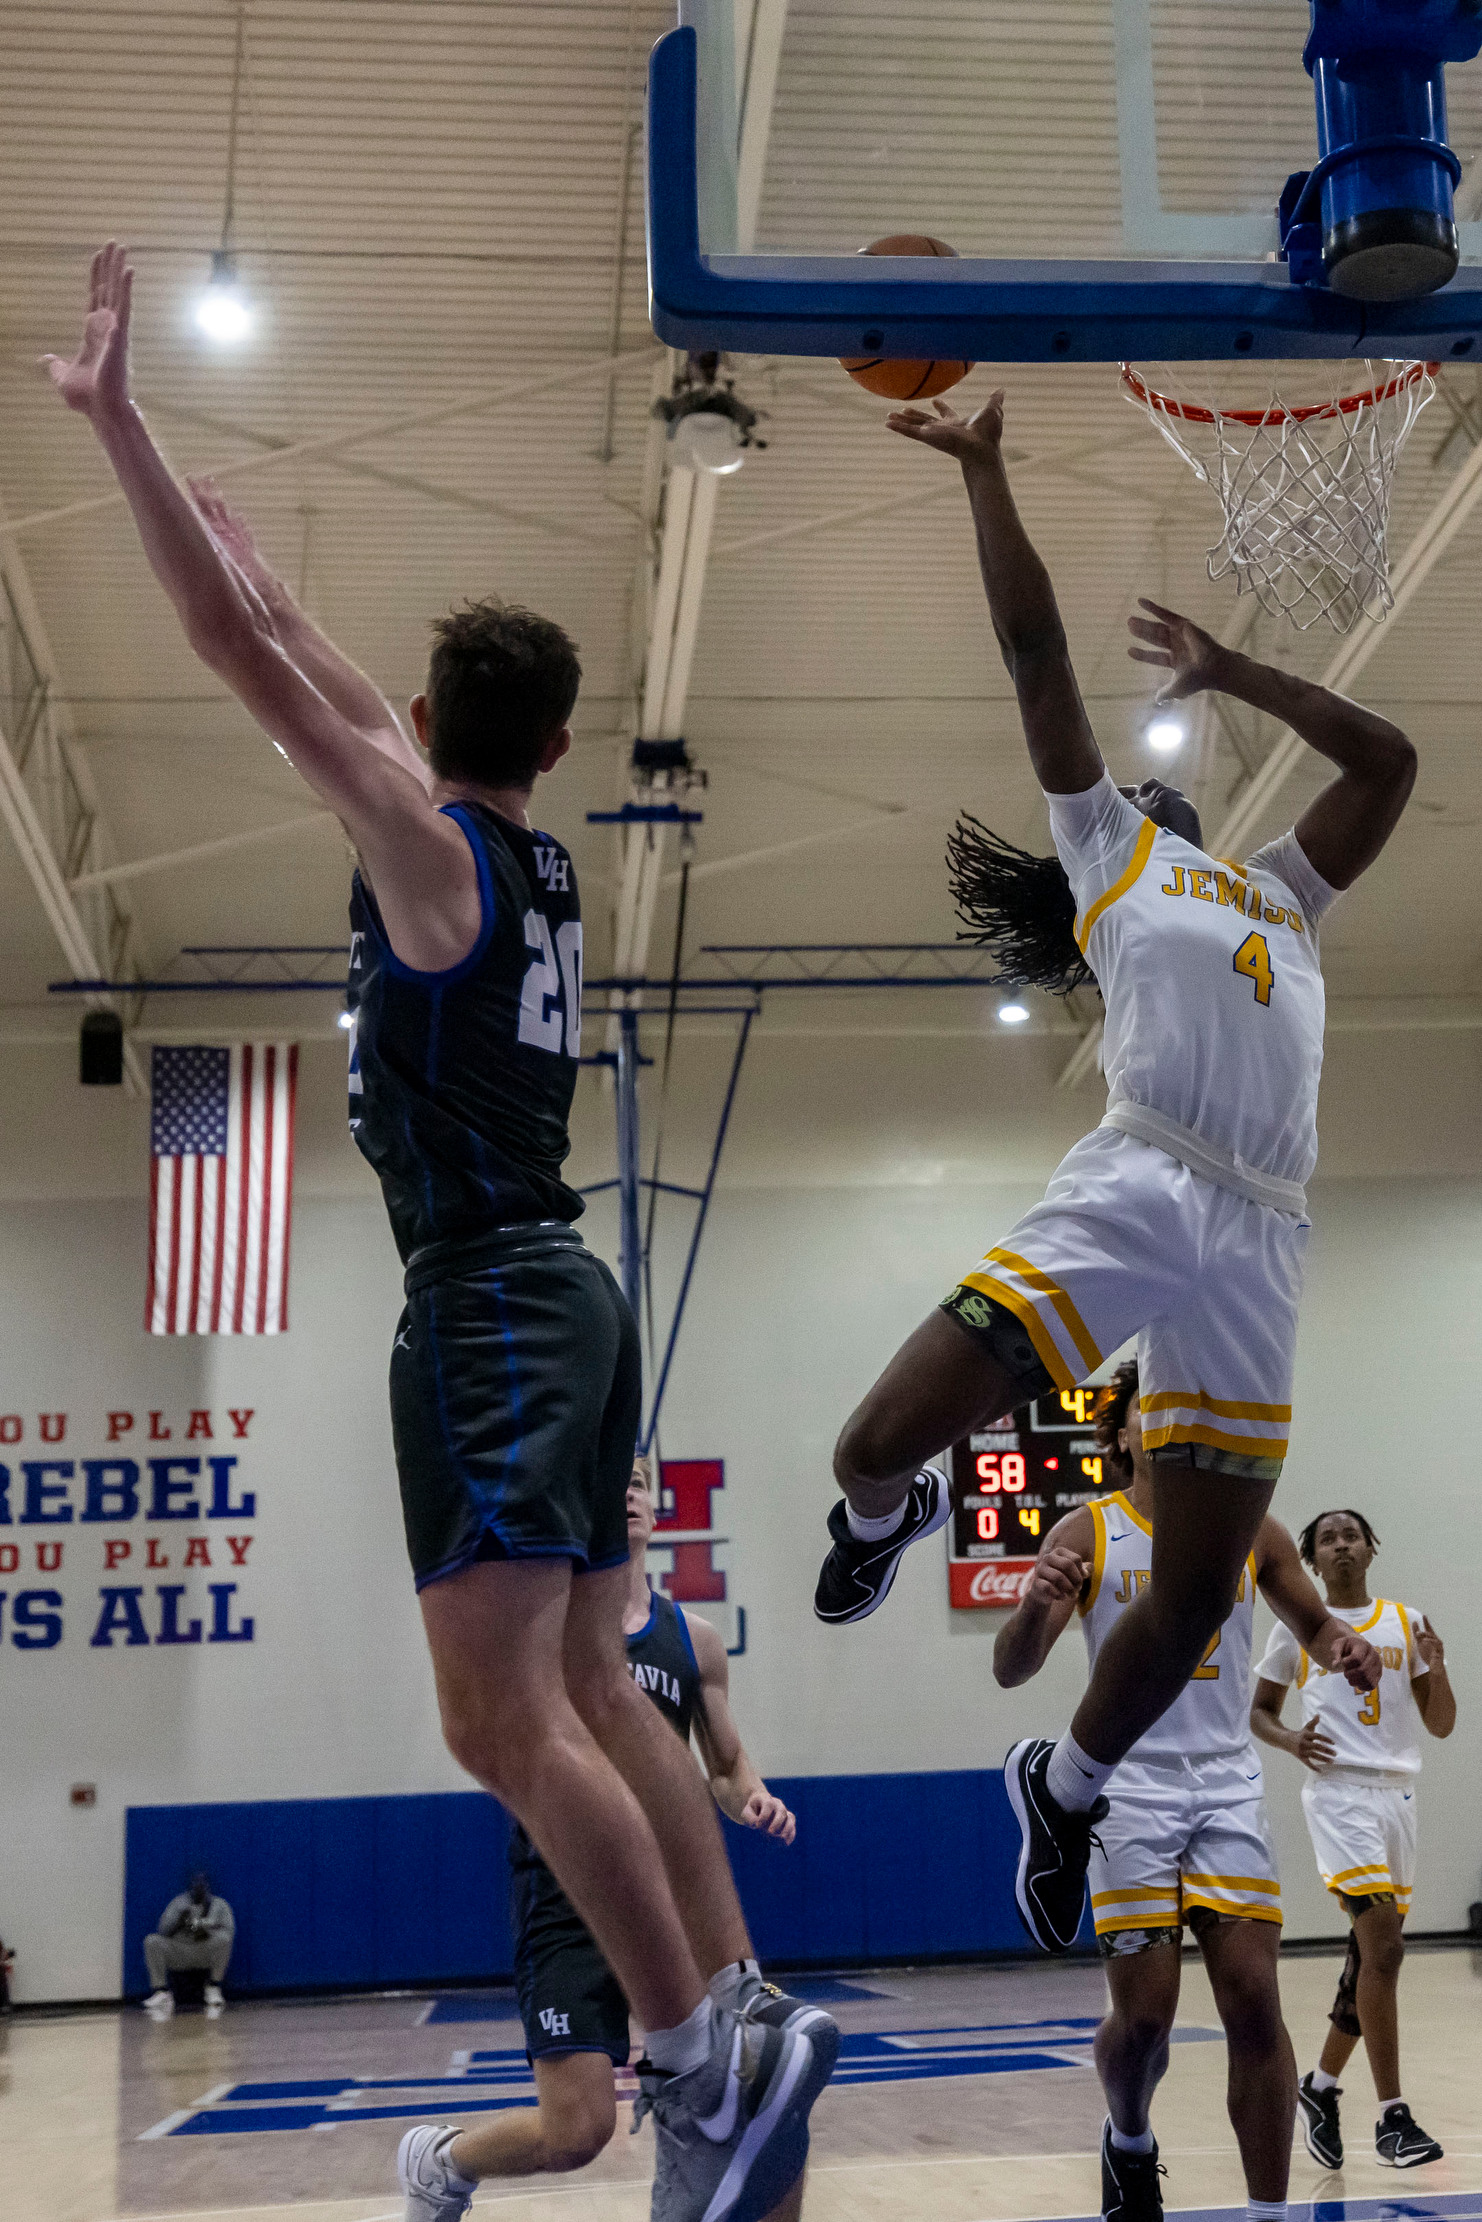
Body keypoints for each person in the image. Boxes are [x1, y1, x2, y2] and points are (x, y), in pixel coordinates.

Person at [48, 245, 828, 2222]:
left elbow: (246, 654)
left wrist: (122, 426)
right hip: (572, 1292)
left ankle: (688, 2054)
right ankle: (738, 2000)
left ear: (422, 723)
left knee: (499, 1721)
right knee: (591, 1689)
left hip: (486, 1300)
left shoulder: (426, 856)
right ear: (557, 744)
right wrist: (226, 529)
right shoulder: (539, 861)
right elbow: (289, 639)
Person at [812, 389, 1414, 1954]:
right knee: (869, 1440)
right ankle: (885, 1519)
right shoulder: (1110, 851)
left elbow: (1389, 756)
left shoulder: (1279, 888)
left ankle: (1064, 1789)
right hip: (1141, 1177)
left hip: (1266, 1234)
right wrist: (988, 473)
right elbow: (1034, 662)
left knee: (1200, 1592)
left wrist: (1233, 671)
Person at [992, 1363, 1380, 2222]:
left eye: (1177, 1412)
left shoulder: (1250, 1528)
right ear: (1122, 1433)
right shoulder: (1089, 1531)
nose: (1164, 1424)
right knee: (1146, 2024)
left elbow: (1314, 1627)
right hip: (1126, 1786)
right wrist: (1031, 1610)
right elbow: (1014, 1670)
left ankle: (1269, 2212)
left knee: (1252, 1996)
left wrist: (1345, 1647)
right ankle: (1128, 2138)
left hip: (1226, 1782)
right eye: (1147, 1412)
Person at [401, 1458, 831, 2222]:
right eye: (612, 1482)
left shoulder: (690, 1640)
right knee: (579, 2129)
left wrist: (753, 1797)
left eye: (637, 1483)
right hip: (569, 1885)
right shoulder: (552, 1634)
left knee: (761, 2090)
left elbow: (725, 1765)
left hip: (676, 1891)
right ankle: (443, 2162)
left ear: (656, 1510)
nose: (625, 1494)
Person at [1251, 1507, 1456, 2171]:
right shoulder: (1298, 1630)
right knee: (1385, 1950)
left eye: (1351, 1535)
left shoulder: (1408, 1622)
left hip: (1399, 1799)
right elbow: (1259, 1712)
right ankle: (1393, 2117)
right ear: (1311, 1560)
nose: (1341, 1545)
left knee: (1367, 1961)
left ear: (1371, 1547)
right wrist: (1290, 1739)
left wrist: (1439, 1667)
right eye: (1328, 1538)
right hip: (1340, 1798)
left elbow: (1443, 1724)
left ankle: (1320, 2087)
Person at [142, 1871, 234, 2016]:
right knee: (152, 1941)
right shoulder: (178, 1903)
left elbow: (229, 1931)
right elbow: (162, 1930)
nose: (199, 1887)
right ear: (189, 1886)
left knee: (224, 1939)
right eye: (195, 1883)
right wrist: (179, 1921)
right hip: (180, 1950)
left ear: (208, 1886)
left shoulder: (219, 1905)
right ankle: (161, 1992)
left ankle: (213, 1987)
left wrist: (206, 1928)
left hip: (205, 1949)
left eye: (202, 1883)